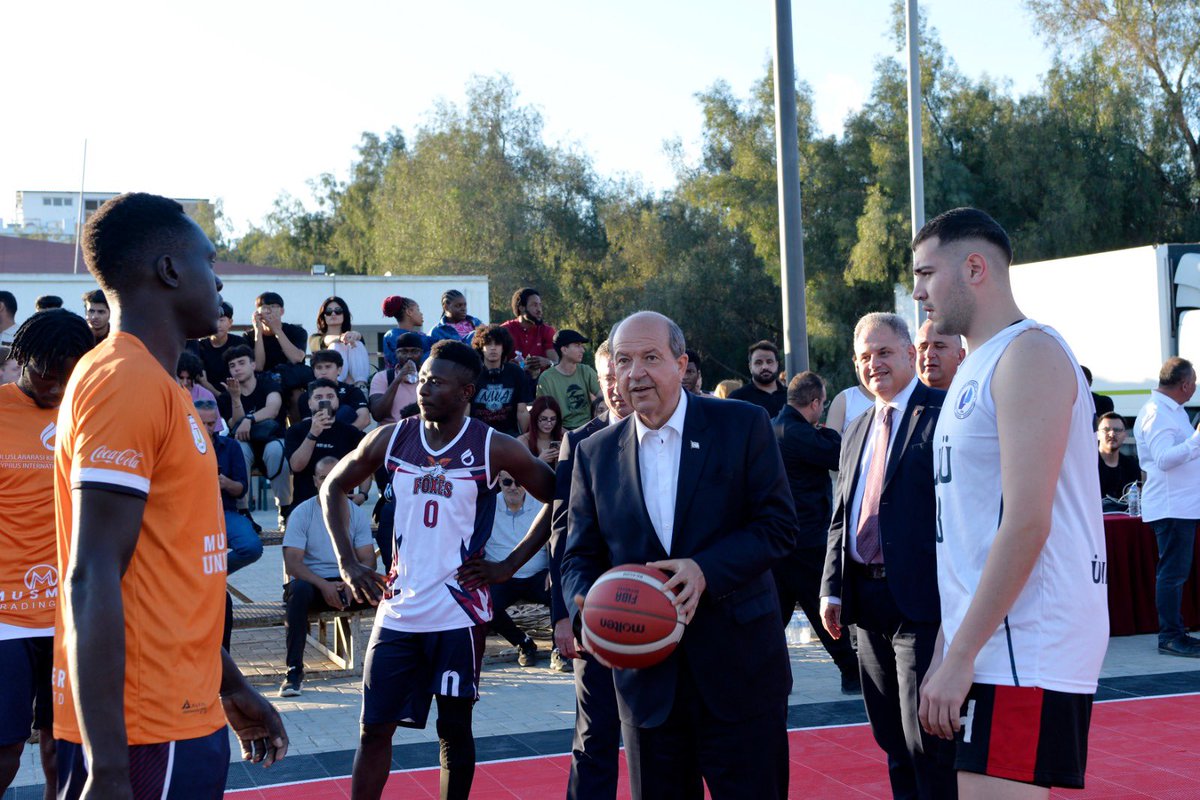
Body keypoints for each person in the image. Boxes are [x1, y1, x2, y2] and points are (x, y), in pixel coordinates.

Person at [55, 192, 286, 798]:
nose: (218, 278)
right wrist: (109, 767)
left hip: (183, 709)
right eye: (209, 261)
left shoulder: (160, 384)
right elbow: (91, 572)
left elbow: (176, 568)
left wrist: (228, 683)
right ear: (169, 270)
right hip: (144, 730)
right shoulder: (123, 380)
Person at [912, 207, 1109, 796]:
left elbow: (1027, 520)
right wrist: (953, 641)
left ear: (975, 267)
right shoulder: (975, 367)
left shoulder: (1031, 353)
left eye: (926, 273)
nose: (917, 291)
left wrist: (961, 651)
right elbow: (967, 531)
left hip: (1027, 640)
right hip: (991, 636)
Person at [560, 311, 796, 800]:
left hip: (740, 675)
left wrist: (705, 570)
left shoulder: (743, 425)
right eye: (624, 361)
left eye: (650, 358)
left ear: (681, 363)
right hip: (647, 689)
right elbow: (578, 558)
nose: (635, 373)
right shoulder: (595, 453)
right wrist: (591, 606)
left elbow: (778, 527)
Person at [319, 339, 556, 800]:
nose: (424, 387)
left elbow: (558, 497)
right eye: (422, 379)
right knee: (373, 730)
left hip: (458, 613)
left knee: (453, 732)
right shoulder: (392, 437)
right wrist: (347, 561)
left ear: (467, 391)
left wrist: (508, 564)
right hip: (399, 610)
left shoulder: (494, 447)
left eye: (437, 382)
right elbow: (333, 487)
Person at [820, 312, 955, 800]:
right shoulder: (856, 427)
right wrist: (831, 589)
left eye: (883, 352)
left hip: (921, 605)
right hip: (865, 604)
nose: (873, 364)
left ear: (909, 354)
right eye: (863, 357)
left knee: (928, 740)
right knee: (892, 739)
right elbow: (842, 513)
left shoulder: (945, 414)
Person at [0, 310, 93, 799]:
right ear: (21, 360)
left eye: (66, 376)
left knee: (64, 748)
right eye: (44, 375)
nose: (55, 389)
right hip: (6, 617)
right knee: (5, 751)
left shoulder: (89, 412)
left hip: (68, 612)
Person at [549, 338, 628, 798]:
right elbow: (562, 532)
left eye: (622, 373)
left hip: (660, 609)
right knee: (595, 735)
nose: (617, 386)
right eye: (608, 377)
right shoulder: (579, 441)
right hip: (595, 612)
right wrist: (564, 613)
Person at [772, 371, 861, 695]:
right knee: (824, 610)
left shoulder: (776, 426)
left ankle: (767, 679)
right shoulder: (796, 432)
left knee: (775, 618)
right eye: (822, 406)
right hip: (806, 539)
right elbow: (839, 454)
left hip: (785, 539)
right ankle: (850, 672)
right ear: (814, 403)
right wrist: (829, 431)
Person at [279, 457, 375, 696]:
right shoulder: (302, 513)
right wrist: (323, 585)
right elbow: (292, 563)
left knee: (392, 591)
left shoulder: (358, 515)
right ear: (315, 481)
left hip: (348, 582)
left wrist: (352, 584)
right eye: (323, 477)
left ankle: (393, 670)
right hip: (313, 584)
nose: (329, 482)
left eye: (335, 476)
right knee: (298, 592)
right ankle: (294, 672)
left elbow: (368, 559)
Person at [1132, 357, 1200, 657]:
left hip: (1182, 505)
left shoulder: (1173, 412)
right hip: (1173, 507)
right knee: (1172, 573)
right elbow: (1162, 459)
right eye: (1194, 382)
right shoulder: (1158, 413)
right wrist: (1198, 441)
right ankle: (1170, 636)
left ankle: (1176, 632)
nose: (1195, 387)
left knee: (1176, 572)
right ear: (1185, 384)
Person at [220, 344, 293, 526]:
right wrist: (236, 399)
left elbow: (273, 409)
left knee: (276, 451)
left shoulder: (268, 383)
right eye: (232, 365)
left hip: (271, 438)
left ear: (253, 365)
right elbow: (233, 425)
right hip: (246, 443)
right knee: (238, 449)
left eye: (241, 363)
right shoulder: (227, 394)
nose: (237, 368)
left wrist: (250, 419)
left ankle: (285, 509)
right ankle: (243, 511)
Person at [486, 470, 551, 667]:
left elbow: (555, 540)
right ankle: (524, 643)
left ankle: (559, 649)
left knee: (562, 595)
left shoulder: (542, 505)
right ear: (499, 481)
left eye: (519, 482)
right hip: (501, 576)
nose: (513, 487)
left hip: (537, 575)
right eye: (507, 482)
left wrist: (553, 571)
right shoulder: (486, 507)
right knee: (485, 605)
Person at [194, 399, 262, 574]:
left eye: (211, 424)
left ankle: (209, 575)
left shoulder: (230, 446)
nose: (208, 429)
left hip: (224, 512)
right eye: (202, 424)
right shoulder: (179, 445)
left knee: (251, 547)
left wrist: (225, 482)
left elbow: (242, 489)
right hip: (190, 514)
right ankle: (202, 578)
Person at [285, 379, 367, 507]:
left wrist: (363, 494)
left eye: (330, 396)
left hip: (341, 504)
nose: (325, 401)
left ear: (338, 401)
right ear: (309, 403)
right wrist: (313, 433)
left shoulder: (351, 432)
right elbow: (296, 466)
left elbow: (364, 467)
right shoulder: (296, 431)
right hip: (305, 504)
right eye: (318, 397)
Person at [247, 291, 311, 422]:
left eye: (274, 306)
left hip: (291, 383)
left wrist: (277, 330)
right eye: (265, 307)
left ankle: (298, 433)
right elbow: (258, 366)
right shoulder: (248, 337)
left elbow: (297, 358)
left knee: (297, 397)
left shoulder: (296, 332)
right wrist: (258, 333)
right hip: (263, 384)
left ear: (282, 311)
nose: (269, 310)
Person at [471, 323, 531, 436]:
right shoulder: (471, 374)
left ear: (504, 347)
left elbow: (522, 411)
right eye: (488, 344)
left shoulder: (516, 373)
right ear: (481, 347)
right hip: (478, 435)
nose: (493, 348)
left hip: (509, 435)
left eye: (497, 344)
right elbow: (465, 412)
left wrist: (524, 439)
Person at [536, 330, 599, 430]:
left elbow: (602, 397)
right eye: (577, 345)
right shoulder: (546, 378)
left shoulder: (586, 371)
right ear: (564, 350)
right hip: (561, 429)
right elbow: (543, 413)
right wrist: (564, 433)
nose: (582, 350)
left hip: (590, 426)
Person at [299, 350, 371, 430]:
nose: (323, 372)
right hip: (318, 439)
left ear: (339, 370)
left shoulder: (352, 391)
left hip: (348, 438)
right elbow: (306, 425)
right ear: (314, 372)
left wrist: (343, 436)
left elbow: (365, 419)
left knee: (345, 411)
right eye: (319, 368)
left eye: (328, 367)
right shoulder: (306, 396)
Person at [187, 300, 246, 396]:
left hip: (239, 394)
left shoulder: (239, 343)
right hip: (209, 397)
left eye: (222, 320)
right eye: (214, 320)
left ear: (230, 322)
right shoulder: (200, 346)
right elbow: (202, 380)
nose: (218, 325)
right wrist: (221, 397)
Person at [309, 296, 370, 388]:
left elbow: (357, 340)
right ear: (324, 316)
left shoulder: (352, 338)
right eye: (328, 312)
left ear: (344, 314)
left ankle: (361, 387)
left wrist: (356, 335)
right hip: (328, 385)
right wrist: (341, 338)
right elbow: (326, 340)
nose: (333, 314)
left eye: (338, 311)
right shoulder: (315, 338)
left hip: (352, 383)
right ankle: (338, 387)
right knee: (336, 345)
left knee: (357, 344)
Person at [501, 287, 557, 379]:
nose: (539, 310)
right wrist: (510, 366)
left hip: (541, 384)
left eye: (540, 305)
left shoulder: (547, 331)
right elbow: (496, 364)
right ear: (521, 308)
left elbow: (556, 363)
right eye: (534, 305)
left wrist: (547, 362)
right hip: (512, 383)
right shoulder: (505, 330)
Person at [368, 332, 423, 424]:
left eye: (414, 351)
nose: (409, 356)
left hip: (421, 432)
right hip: (391, 433)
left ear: (421, 353)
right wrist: (397, 380)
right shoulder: (383, 377)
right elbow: (377, 414)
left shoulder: (428, 378)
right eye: (404, 352)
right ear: (397, 354)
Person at [728, 340, 787, 417]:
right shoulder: (738, 398)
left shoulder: (791, 396)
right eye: (758, 363)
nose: (765, 367)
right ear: (750, 367)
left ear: (777, 364)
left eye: (769, 362)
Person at [1097, 411, 1141, 500]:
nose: (1112, 434)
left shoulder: (1132, 467)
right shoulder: (1087, 464)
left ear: (1125, 435)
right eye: (1106, 430)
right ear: (1097, 434)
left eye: (1117, 430)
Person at [914, 318, 965, 391]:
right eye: (923, 347)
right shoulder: (898, 400)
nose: (929, 354)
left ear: (960, 356)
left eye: (939, 347)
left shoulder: (976, 399)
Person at [381, 295, 429, 368]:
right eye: (418, 310)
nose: (421, 314)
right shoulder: (393, 335)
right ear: (409, 312)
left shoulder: (421, 336)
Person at [519, 396, 564, 467]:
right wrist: (539, 461)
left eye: (553, 419)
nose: (549, 424)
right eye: (544, 419)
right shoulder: (523, 441)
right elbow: (516, 472)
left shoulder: (564, 438)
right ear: (535, 417)